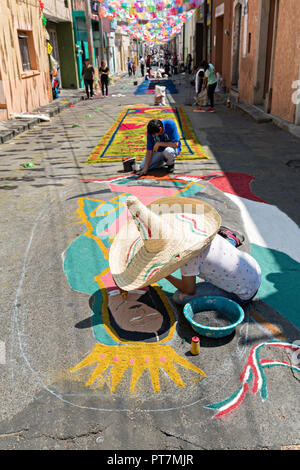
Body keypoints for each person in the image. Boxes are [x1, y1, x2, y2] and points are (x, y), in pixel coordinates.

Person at [109, 195, 261, 309]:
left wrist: (166, 275)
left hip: (242, 294)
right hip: (253, 268)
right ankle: (231, 239)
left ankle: (230, 246)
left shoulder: (187, 258)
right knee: (215, 257)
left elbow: (189, 290)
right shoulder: (201, 234)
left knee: (180, 297)